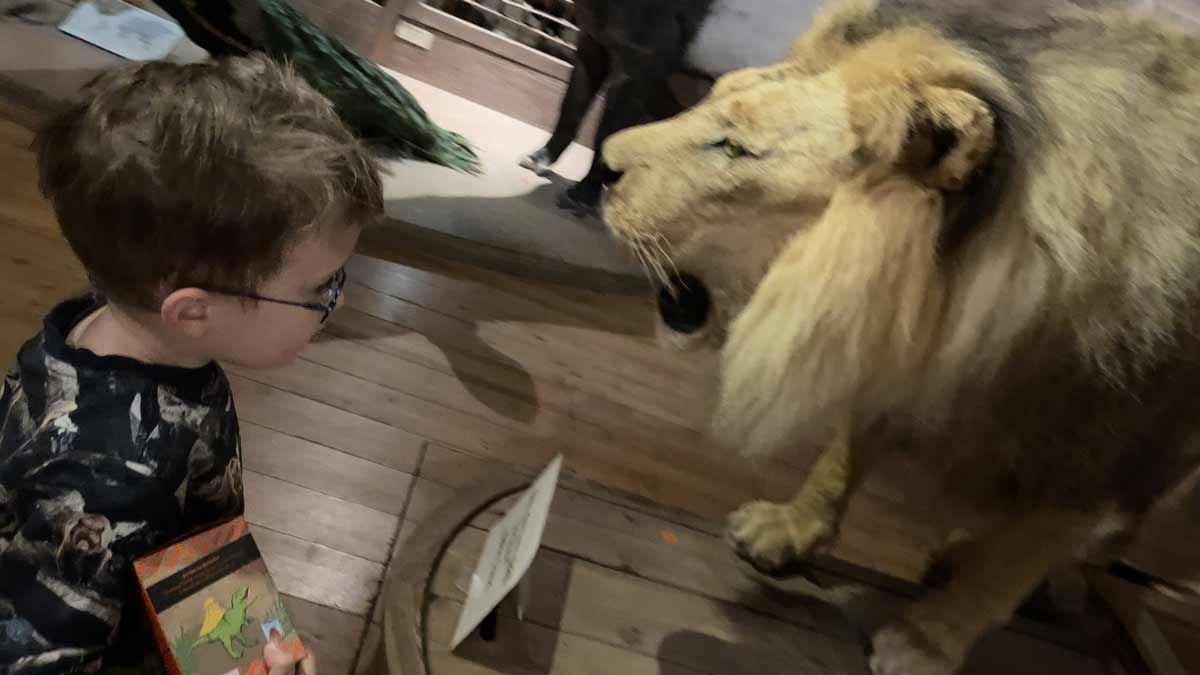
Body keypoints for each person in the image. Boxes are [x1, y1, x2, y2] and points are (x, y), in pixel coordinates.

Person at [0, 54, 382, 674]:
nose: (336, 300)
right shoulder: (107, 484)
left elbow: (190, 543)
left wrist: (251, 647)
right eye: (322, 289)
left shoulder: (105, 328)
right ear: (194, 311)